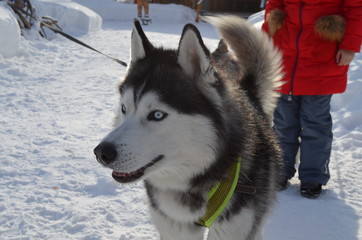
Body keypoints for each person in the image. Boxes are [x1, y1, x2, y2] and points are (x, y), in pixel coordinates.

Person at [262, 0, 362, 198]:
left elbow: (357, 9)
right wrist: (267, 40)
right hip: (286, 56)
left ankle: (313, 176)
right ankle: (280, 171)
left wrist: (350, 45)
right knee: (283, 122)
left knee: (315, 123)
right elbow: (274, 5)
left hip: (323, 57)